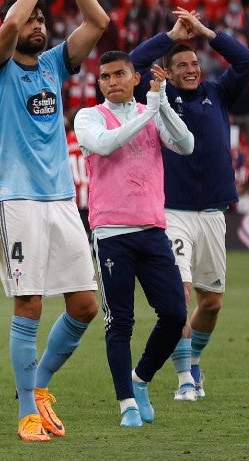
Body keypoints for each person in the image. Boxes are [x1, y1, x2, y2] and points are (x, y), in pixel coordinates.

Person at [0, 0, 109, 442]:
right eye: (32, 17)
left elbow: (98, 21)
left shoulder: (54, 63)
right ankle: (26, 414)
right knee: (28, 305)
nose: (37, 24)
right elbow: (9, 22)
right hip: (17, 202)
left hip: (61, 201)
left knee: (84, 305)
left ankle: (41, 384)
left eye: (41, 19)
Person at [129, 8, 249, 401]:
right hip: (172, 211)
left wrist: (205, 32)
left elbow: (246, 60)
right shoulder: (158, 96)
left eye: (194, 63)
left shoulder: (218, 93)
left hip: (214, 212)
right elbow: (133, 62)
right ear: (167, 70)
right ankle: (184, 379)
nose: (190, 69)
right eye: (181, 64)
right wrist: (171, 35)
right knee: (179, 295)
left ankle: (194, 360)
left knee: (212, 303)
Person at [75, 52, 193, 427]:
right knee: (119, 322)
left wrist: (161, 108)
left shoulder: (151, 110)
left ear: (135, 77)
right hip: (111, 232)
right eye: (105, 76)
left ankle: (139, 380)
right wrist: (149, 112)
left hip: (153, 229)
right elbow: (106, 145)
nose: (112, 81)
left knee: (175, 315)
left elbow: (186, 145)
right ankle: (126, 403)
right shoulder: (88, 117)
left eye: (120, 74)